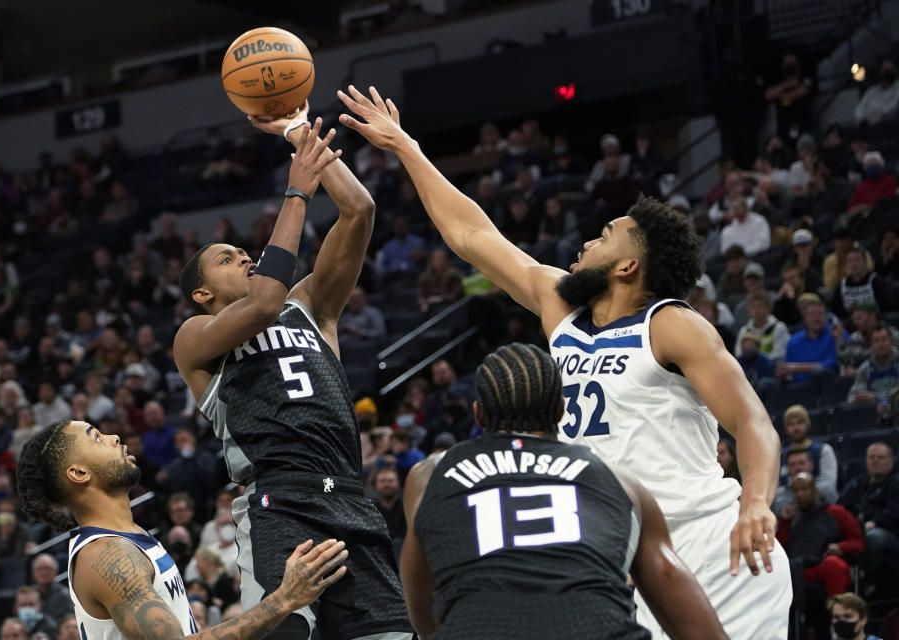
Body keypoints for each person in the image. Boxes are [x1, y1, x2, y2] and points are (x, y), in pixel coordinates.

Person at [339, 84, 791, 639]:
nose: (585, 244)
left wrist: (756, 504)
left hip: (713, 544)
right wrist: (406, 146)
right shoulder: (562, 310)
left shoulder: (672, 324)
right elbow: (473, 234)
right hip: (619, 552)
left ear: (628, 267)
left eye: (604, 237)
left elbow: (752, 423)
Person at [174, 110, 411, 639]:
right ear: (202, 294)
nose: (245, 256)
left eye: (244, 251)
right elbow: (261, 305)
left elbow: (359, 210)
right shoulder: (194, 337)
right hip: (278, 503)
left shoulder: (310, 305)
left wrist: (298, 134)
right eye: (227, 258)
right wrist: (296, 193)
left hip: (349, 496)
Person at [399, 343, 727, 639]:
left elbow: (421, 606)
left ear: (479, 415)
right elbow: (695, 624)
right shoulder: (621, 482)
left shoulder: (428, 476)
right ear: (560, 410)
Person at [16, 420, 349, 640]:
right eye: (97, 438)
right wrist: (285, 599)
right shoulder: (107, 555)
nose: (114, 437)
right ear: (78, 473)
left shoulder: (131, 538)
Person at [776, 472, 863, 597]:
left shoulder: (836, 512)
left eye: (804, 489)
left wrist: (841, 547)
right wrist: (784, 522)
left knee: (832, 564)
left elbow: (858, 543)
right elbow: (780, 552)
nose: (800, 494)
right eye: (796, 490)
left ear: (815, 490)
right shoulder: (790, 519)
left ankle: (838, 613)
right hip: (799, 570)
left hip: (824, 566)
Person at [837, 442, 899, 597]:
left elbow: (895, 511)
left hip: (889, 533)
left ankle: (867, 581)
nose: (876, 461)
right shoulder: (858, 483)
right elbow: (840, 508)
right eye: (872, 457)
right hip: (857, 531)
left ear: (890, 461)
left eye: (881, 457)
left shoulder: (895, 482)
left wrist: (875, 522)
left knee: (873, 537)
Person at [778, 297, 838, 382]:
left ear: (825, 316)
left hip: (828, 384)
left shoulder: (835, 333)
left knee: (819, 371)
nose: (816, 317)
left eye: (820, 313)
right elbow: (790, 372)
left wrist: (798, 368)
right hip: (800, 388)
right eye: (812, 314)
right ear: (804, 317)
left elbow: (833, 364)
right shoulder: (793, 341)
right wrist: (783, 375)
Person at [849, 325, 899, 415]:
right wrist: (860, 398)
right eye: (876, 341)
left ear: (891, 341)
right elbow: (851, 399)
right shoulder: (865, 368)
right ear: (872, 344)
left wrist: (878, 399)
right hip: (874, 417)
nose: (880, 344)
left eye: (884, 339)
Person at [855, 55, 899, 127]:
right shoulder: (872, 90)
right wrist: (858, 119)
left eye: (889, 69)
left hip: (888, 124)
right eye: (884, 69)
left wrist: (882, 117)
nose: (886, 71)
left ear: (895, 70)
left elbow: (894, 105)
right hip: (867, 124)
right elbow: (861, 107)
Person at [31, 553, 73, 621]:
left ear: (56, 571)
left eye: (48, 568)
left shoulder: (65, 595)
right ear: (34, 572)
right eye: (40, 569)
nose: (44, 572)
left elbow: (68, 621)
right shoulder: (28, 595)